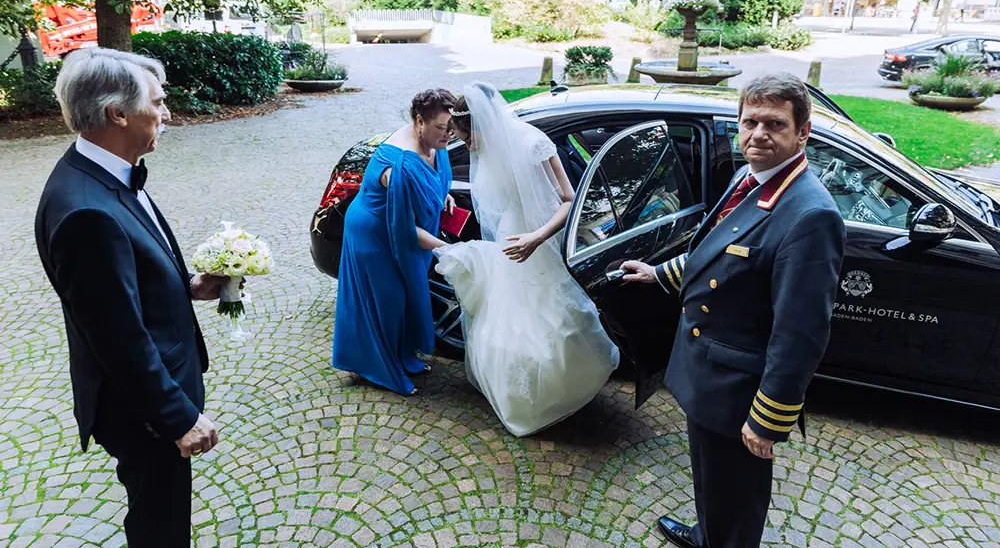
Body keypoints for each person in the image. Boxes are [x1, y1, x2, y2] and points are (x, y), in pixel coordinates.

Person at [620, 73, 846, 548]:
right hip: (709, 376)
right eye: (750, 122)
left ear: (803, 132)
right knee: (712, 479)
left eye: (775, 124)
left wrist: (768, 419)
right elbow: (721, 257)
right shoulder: (750, 178)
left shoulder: (810, 214)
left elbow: (801, 334)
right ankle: (708, 534)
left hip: (739, 393)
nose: (758, 134)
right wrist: (659, 273)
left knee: (737, 497)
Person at [34, 48, 228, 547]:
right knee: (160, 523)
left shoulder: (105, 171)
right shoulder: (85, 212)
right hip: (139, 408)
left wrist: (189, 285)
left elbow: (120, 284)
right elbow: (115, 335)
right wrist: (176, 417)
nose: (167, 114)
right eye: (157, 103)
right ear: (118, 113)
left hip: (148, 393)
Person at [434, 83, 620, 437]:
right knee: (507, 319)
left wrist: (537, 237)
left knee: (554, 319)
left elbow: (569, 199)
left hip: (539, 239)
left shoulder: (533, 144)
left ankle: (562, 390)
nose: (467, 146)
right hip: (510, 238)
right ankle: (521, 397)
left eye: (467, 138)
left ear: (482, 125)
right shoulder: (486, 150)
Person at [333, 89, 456, 396]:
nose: (448, 135)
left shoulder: (432, 141)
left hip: (398, 226)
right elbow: (405, 229)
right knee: (388, 301)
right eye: (442, 128)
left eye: (452, 128)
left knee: (402, 300)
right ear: (419, 121)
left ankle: (402, 356)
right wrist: (448, 249)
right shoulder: (400, 165)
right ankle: (379, 369)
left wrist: (443, 195)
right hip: (374, 233)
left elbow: (431, 182)